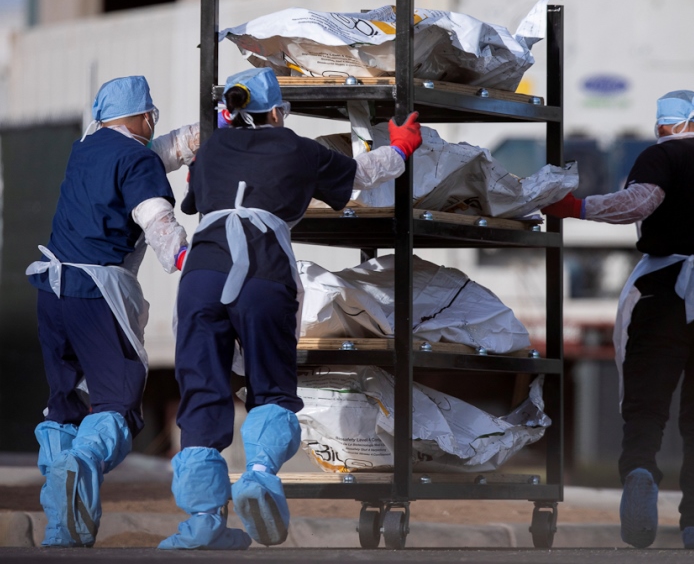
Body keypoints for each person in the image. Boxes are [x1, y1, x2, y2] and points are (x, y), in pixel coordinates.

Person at [158, 67, 423, 550]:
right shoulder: (299, 147)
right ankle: (258, 475)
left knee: (202, 389)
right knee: (271, 388)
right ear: (277, 111)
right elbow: (362, 174)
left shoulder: (212, 146)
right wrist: (401, 148)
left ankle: (201, 523)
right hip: (262, 274)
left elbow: (198, 200)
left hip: (201, 275)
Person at [542, 90, 694, 550]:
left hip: (666, 293)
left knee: (646, 406)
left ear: (666, 125)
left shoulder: (661, 156)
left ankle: (642, 470)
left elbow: (639, 203)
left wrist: (578, 207)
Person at [26, 75, 196, 547]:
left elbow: (140, 157)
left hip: (50, 289)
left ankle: (62, 530)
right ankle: (81, 465)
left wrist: (191, 139)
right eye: (151, 117)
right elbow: (154, 216)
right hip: (94, 294)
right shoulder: (136, 160)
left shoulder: (87, 148)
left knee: (66, 405)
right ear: (143, 116)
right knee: (117, 404)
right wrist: (187, 260)